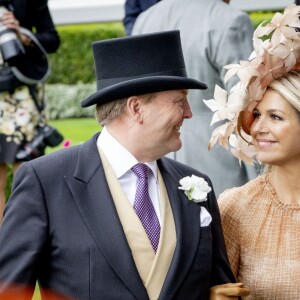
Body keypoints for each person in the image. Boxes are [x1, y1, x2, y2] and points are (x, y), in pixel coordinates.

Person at [0, 30, 249, 299]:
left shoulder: (197, 186)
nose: (188, 113)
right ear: (136, 108)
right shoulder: (45, 181)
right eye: (180, 100)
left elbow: (220, 286)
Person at [204, 5, 300, 299]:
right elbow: (217, 289)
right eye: (255, 115)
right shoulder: (236, 208)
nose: (257, 128)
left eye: (275, 117)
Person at [132, 0, 259, 197]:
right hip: (219, 162)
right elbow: (247, 104)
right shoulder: (230, 20)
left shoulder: (145, 19)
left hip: (156, 162)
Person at [0, 0, 60, 223]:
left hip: (23, 92)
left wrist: (22, 34)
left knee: (24, 172)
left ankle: (25, 240)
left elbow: (52, 39)